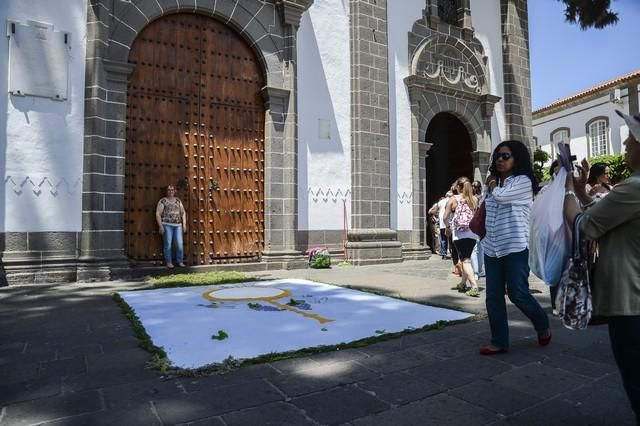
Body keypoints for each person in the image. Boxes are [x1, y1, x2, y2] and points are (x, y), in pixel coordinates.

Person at [563, 110, 640, 422]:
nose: (625, 142)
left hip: (631, 303)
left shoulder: (634, 187)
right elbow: (606, 213)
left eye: (633, 138)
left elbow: (585, 225)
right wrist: (583, 190)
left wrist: (567, 190)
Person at [480, 140, 551, 355]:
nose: (500, 160)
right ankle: (499, 341)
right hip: (492, 247)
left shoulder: (522, 181)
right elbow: (489, 209)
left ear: (516, 159)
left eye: (505, 156)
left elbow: (500, 199)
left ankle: (542, 323)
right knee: (493, 297)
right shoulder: (493, 183)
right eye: (498, 156)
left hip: (515, 246)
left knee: (517, 294)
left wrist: (491, 185)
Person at [444, 177, 480, 297]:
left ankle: (474, 286)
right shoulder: (474, 199)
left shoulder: (453, 199)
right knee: (466, 257)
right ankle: (463, 283)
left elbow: (445, 216)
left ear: (459, 187)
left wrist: (447, 227)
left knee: (465, 260)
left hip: (460, 233)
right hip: (473, 233)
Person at [156, 185, 187, 268]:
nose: (171, 191)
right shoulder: (163, 201)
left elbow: (183, 213)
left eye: (172, 190)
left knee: (179, 244)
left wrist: (184, 224)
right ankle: (169, 262)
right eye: (169, 190)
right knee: (168, 244)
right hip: (167, 225)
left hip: (178, 225)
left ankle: (180, 261)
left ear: (175, 191)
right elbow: (158, 214)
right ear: (166, 191)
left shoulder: (178, 201)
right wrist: (160, 226)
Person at [470, 180, 485, 279]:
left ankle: (475, 272)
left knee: (474, 249)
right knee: (481, 249)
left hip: (474, 225)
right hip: (483, 224)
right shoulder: (483, 197)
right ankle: (480, 270)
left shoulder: (471, 199)